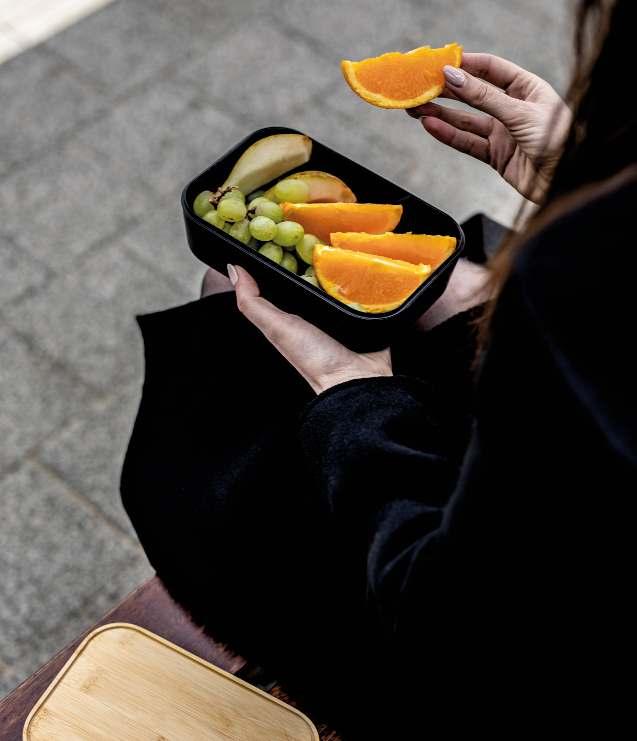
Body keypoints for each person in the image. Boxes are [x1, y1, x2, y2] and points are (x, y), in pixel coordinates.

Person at [122, 0, 635, 735]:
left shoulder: (572, 273)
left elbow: (446, 616)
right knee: (439, 285)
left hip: (498, 676)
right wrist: (577, 170)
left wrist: (353, 396)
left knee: (227, 326)